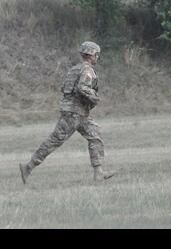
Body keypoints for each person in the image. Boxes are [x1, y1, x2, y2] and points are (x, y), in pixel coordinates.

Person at [19, 41, 115, 184]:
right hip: (74, 113)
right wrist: (94, 98)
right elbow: (82, 88)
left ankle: (99, 172)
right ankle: (28, 167)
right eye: (96, 54)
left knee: (95, 136)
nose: (97, 57)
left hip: (78, 112)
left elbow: (65, 88)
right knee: (54, 141)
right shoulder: (87, 70)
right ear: (91, 55)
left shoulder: (74, 69)